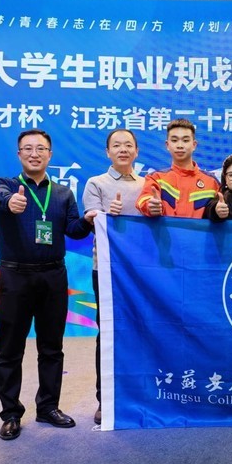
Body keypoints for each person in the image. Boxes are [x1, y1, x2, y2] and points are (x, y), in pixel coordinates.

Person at [0, 129, 96, 441]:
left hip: (53, 277)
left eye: (41, 149)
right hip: (15, 277)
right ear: (19, 154)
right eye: (28, 148)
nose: (34, 154)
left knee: (52, 347)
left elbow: (73, 230)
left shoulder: (62, 193)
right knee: (10, 348)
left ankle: (48, 407)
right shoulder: (5, 185)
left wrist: (87, 220)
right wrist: (10, 202)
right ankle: (11, 414)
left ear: (50, 154)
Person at [82, 129, 145, 425]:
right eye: (116, 145)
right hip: (107, 270)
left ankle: (140, 394)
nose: (123, 149)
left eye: (128, 145)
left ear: (136, 151)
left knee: (142, 330)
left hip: (141, 271)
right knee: (108, 332)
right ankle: (105, 399)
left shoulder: (147, 185)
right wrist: (107, 213)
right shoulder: (96, 183)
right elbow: (90, 219)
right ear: (108, 152)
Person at [136, 119, 219, 218]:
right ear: (167, 145)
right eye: (174, 140)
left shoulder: (212, 182)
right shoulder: (156, 178)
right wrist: (150, 205)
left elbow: (223, 209)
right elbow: (143, 200)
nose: (180, 145)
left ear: (194, 145)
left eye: (185, 140)